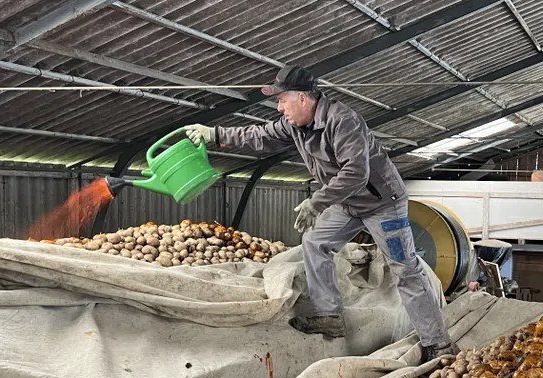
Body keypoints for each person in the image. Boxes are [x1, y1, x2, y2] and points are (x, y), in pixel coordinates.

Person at [184, 65, 459, 362]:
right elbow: (260, 135)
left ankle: (438, 342)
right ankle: (329, 316)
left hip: (382, 204)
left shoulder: (343, 121)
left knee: (405, 269)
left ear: (303, 99)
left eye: (282, 100)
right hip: (347, 202)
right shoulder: (295, 124)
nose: (279, 108)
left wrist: (317, 202)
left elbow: (356, 172)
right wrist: (214, 133)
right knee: (314, 243)